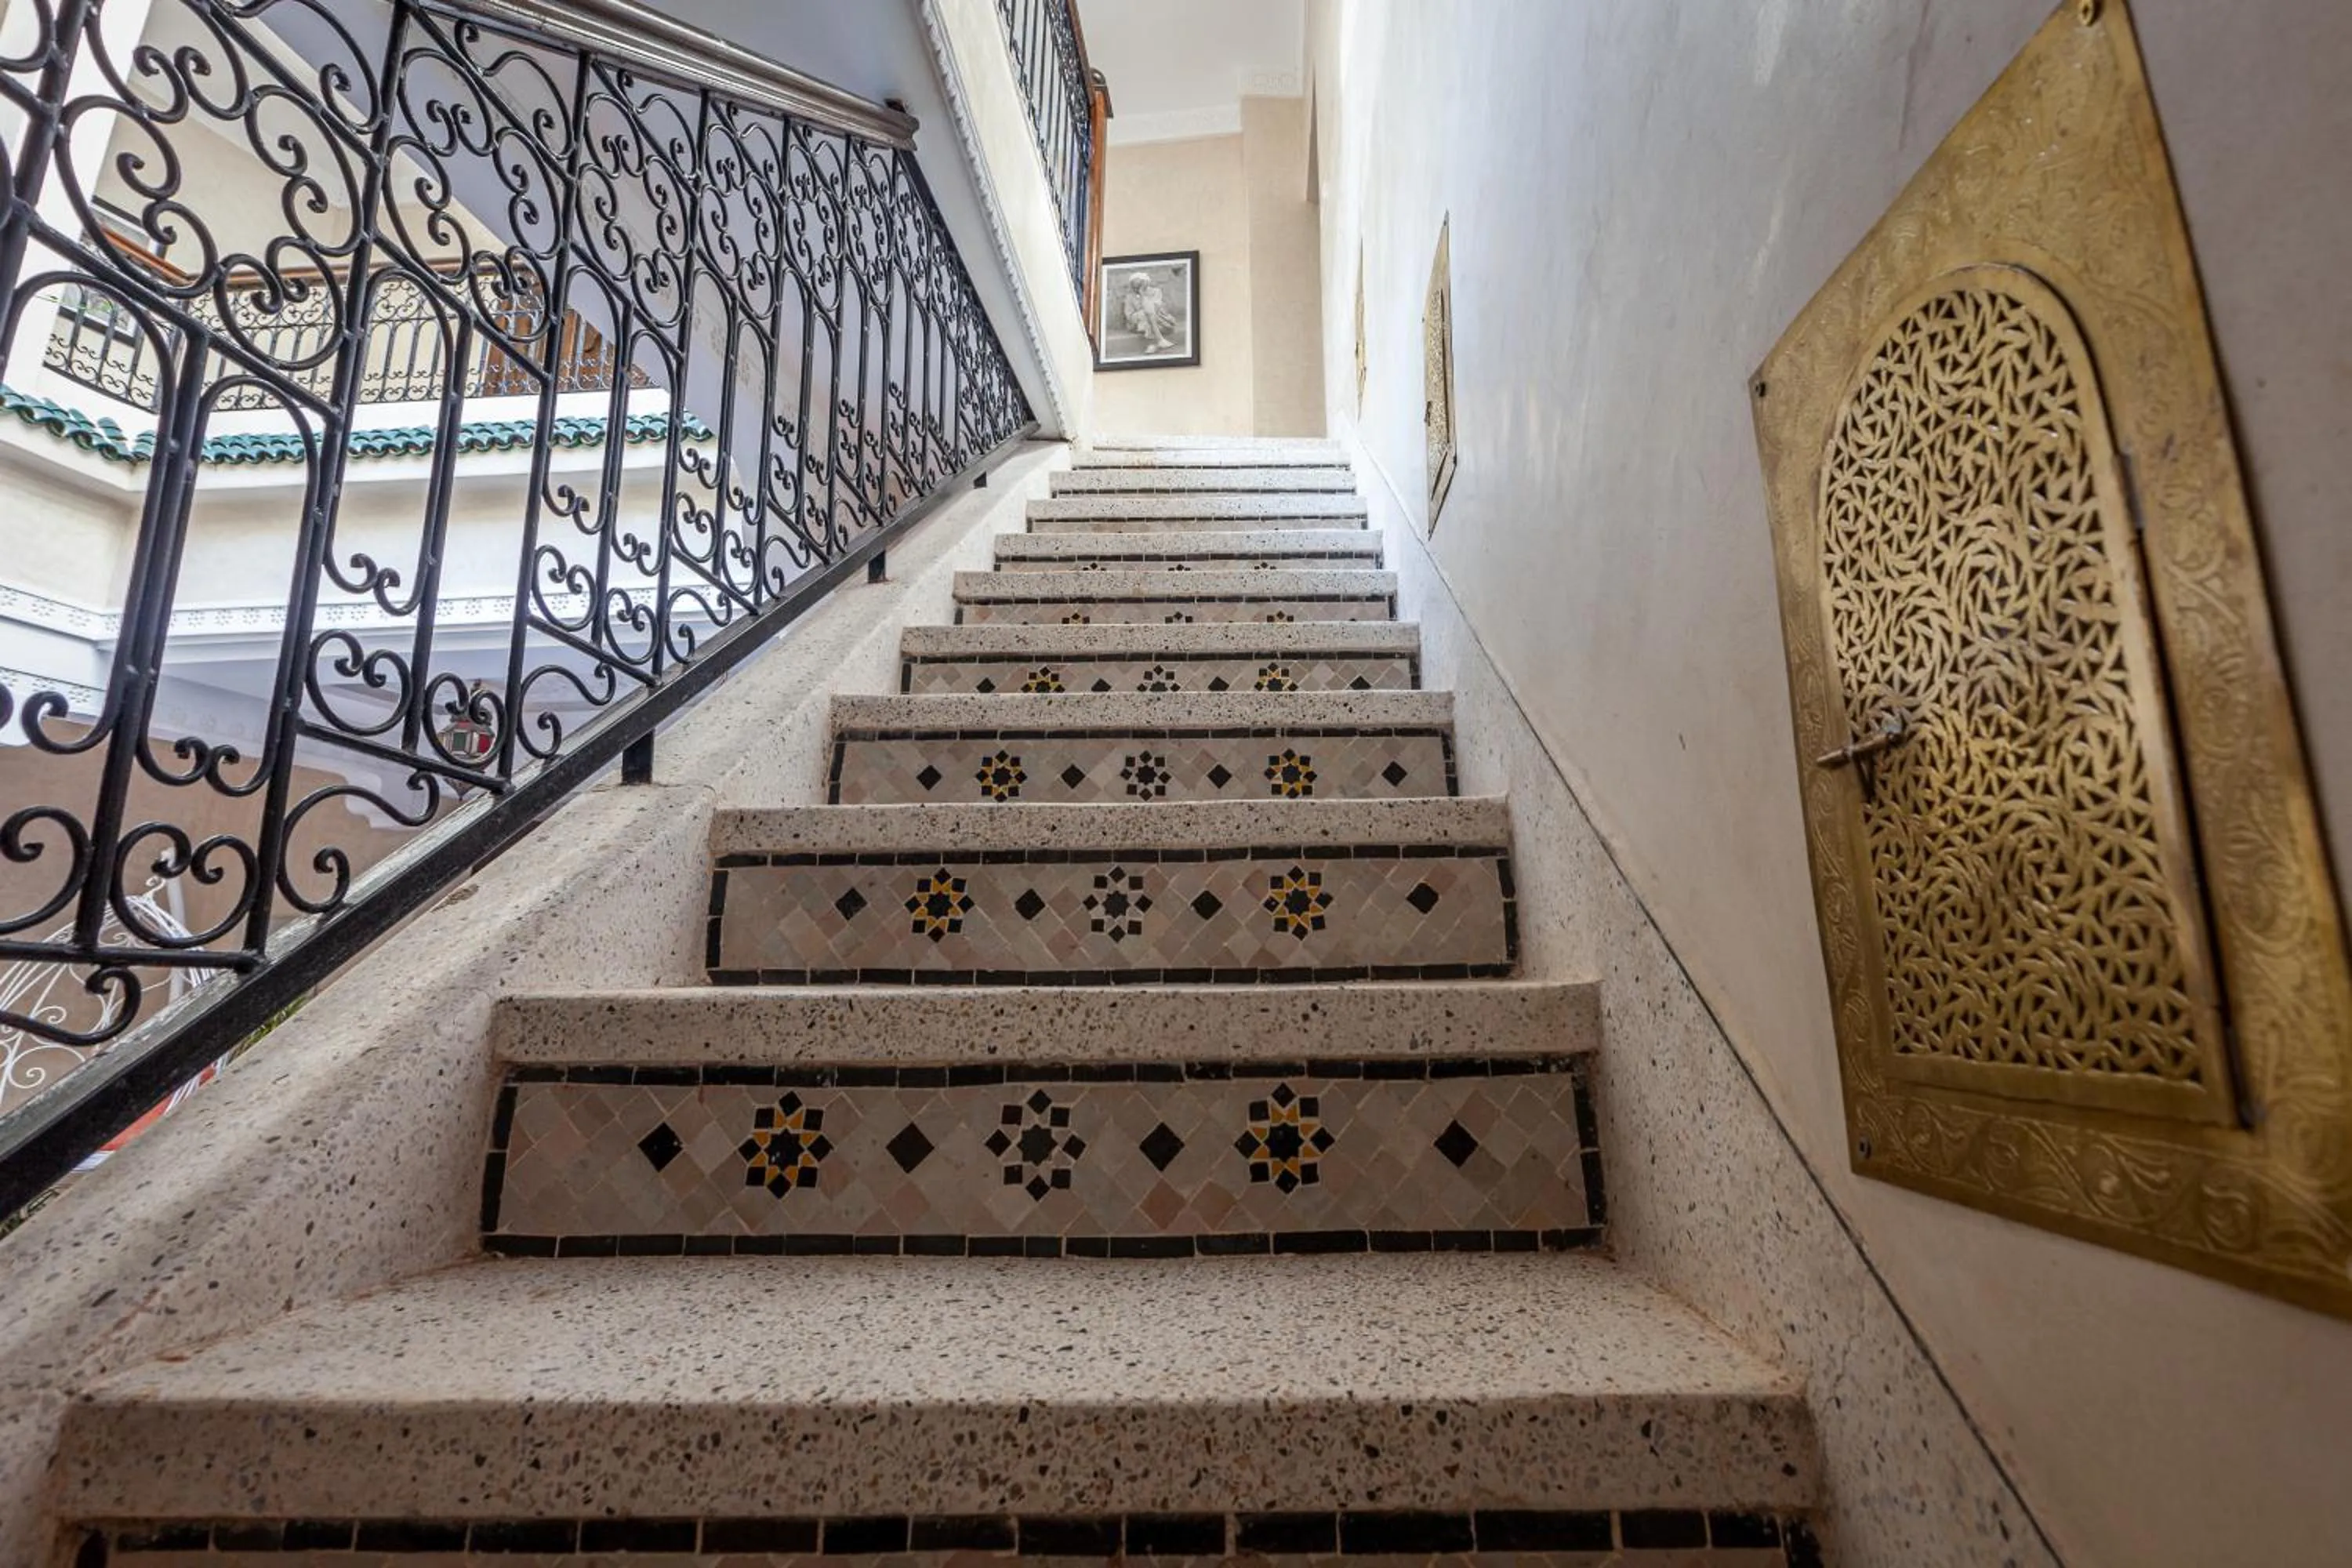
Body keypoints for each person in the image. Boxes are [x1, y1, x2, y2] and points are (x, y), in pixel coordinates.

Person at [1121, 271, 1178, 353]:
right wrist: (1143, 313)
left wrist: (1142, 295)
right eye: (1134, 287)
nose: (1136, 289)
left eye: (1138, 286)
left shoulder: (1156, 292)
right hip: (1139, 322)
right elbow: (1129, 316)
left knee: (1149, 312)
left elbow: (1157, 308)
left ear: (1145, 284)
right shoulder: (1129, 297)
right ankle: (1160, 340)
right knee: (1146, 315)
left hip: (1160, 319)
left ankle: (1152, 344)